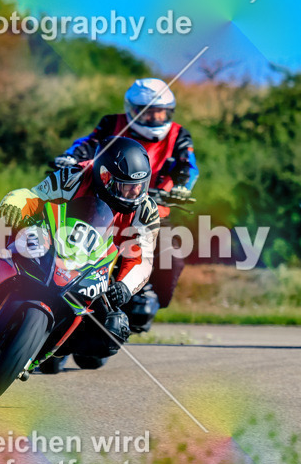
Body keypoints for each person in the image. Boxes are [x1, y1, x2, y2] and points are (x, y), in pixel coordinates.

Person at [0, 138, 160, 357]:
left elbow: (142, 259)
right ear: (104, 176)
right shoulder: (75, 176)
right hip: (50, 245)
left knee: (113, 331)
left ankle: (41, 348)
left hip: (94, 271)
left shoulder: (146, 211)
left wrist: (124, 287)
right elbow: (36, 197)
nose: (135, 193)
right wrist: (16, 203)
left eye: (140, 185)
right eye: (126, 186)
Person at [51, 78, 198, 308]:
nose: (155, 119)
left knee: (173, 258)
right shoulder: (112, 123)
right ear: (132, 110)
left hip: (153, 212)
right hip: (104, 203)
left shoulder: (179, 135)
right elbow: (87, 143)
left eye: (161, 113)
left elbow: (188, 166)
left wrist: (182, 188)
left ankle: (153, 299)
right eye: (148, 113)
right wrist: (71, 157)